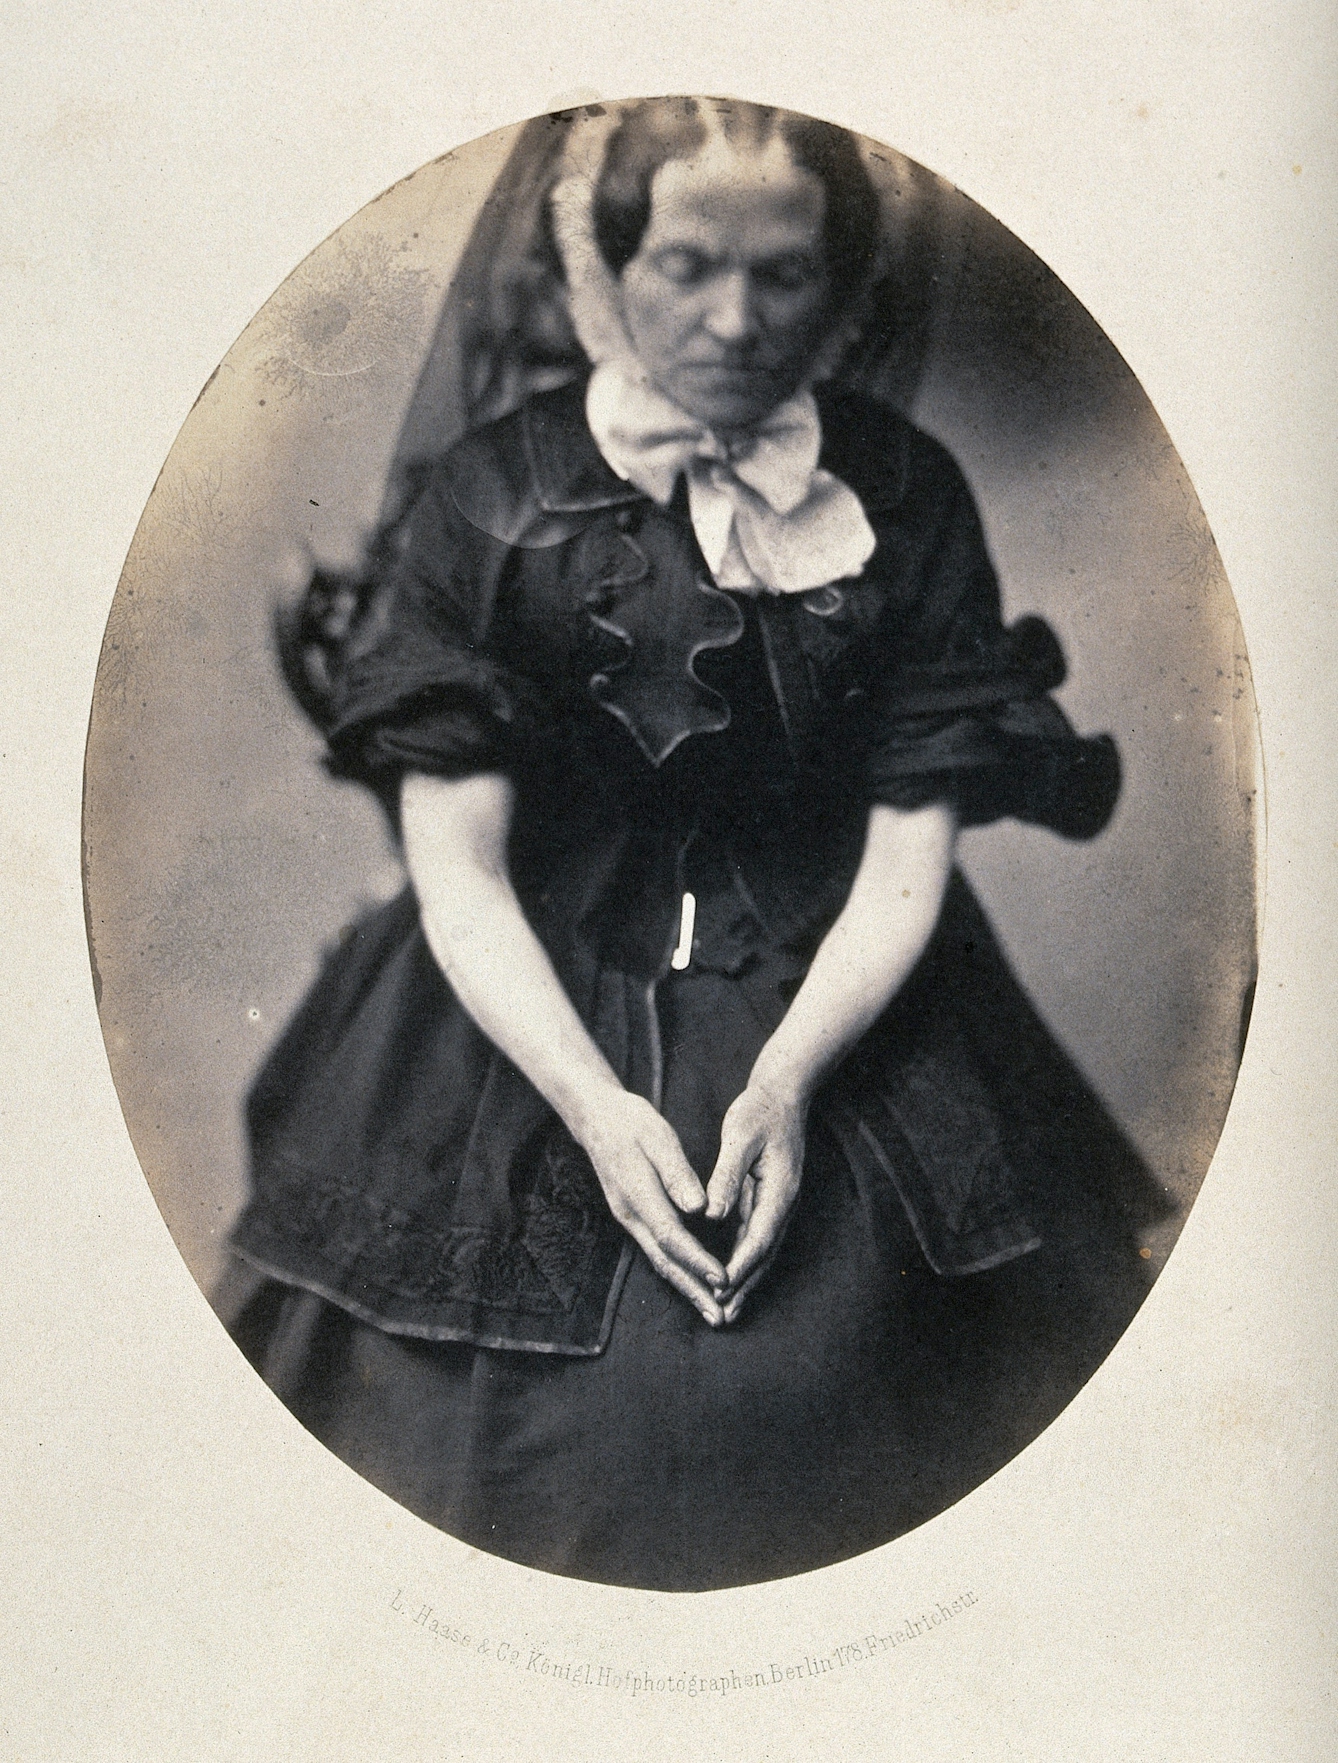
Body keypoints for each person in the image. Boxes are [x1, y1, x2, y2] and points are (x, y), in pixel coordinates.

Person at [222, 98, 1170, 1590]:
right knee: (543, 1451)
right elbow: (455, 866)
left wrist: (787, 1078)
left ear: (841, 282)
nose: (734, 322)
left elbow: (909, 844)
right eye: (683, 267)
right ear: (604, 268)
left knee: (859, 1406)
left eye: (782, 275)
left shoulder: (906, 490)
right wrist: (600, 1113)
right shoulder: (492, 492)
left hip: (836, 975)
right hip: (521, 998)